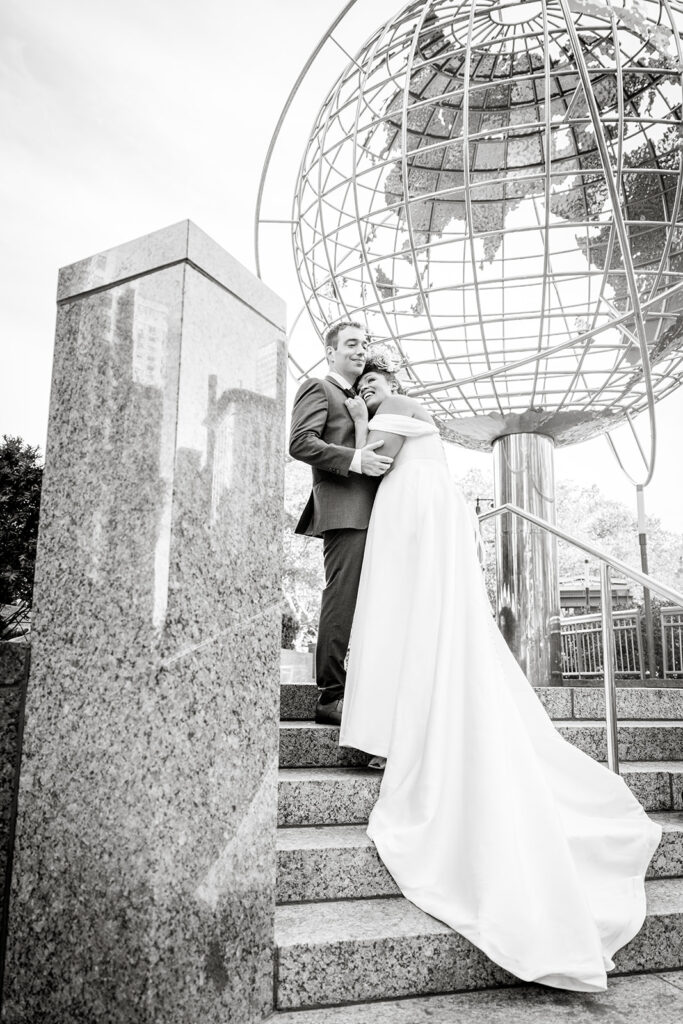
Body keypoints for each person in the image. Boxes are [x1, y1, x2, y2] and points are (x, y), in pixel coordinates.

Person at [338, 356, 662, 993]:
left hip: (413, 510)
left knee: (416, 610)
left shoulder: (398, 410)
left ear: (390, 384)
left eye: (373, 383)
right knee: (414, 616)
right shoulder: (402, 418)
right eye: (361, 387)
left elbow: (373, 459)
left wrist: (354, 415)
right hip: (415, 510)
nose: (368, 392)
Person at [288, 322, 393, 725]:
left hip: (378, 510)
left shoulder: (365, 397)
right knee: (342, 599)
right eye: (351, 343)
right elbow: (300, 442)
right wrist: (354, 459)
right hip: (345, 512)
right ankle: (330, 697)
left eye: (364, 343)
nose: (360, 349)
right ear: (330, 352)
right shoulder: (318, 388)